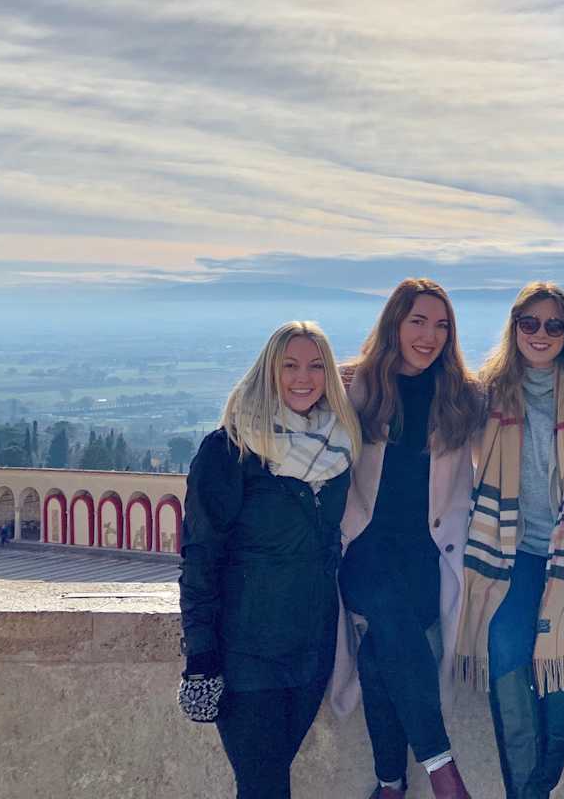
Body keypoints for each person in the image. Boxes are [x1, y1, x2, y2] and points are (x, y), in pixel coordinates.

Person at [179, 321, 360, 799]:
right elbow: (200, 558)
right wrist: (201, 655)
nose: (304, 377)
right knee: (264, 789)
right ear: (268, 372)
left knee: (268, 784)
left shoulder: (339, 447)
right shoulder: (230, 449)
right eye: (290, 366)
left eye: (317, 365)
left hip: (312, 650)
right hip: (245, 654)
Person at [455, 282, 564, 799]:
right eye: (530, 323)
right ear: (515, 329)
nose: (541, 334)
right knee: (505, 658)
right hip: (510, 555)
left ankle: (536, 786)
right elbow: (425, 397)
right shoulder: (488, 392)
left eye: (554, 325)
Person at [330, 280, 484, 799]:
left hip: (428, 556)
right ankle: (444, 773)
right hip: (365, 548)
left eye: (441, 325)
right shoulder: (355, 388)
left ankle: (390, 784)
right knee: (391, 620)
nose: (430, 335)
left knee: (382, 649)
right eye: (418, 321)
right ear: (395, 322)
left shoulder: (463, 397)